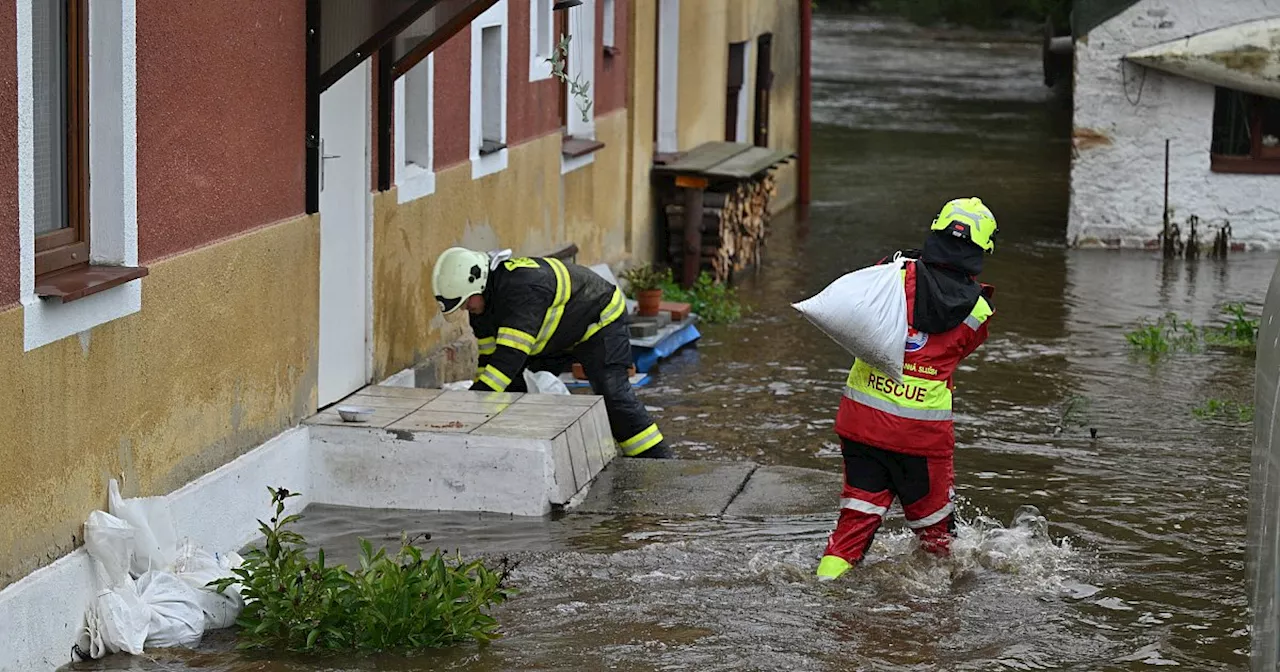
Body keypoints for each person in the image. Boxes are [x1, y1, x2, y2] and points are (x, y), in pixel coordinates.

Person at [816, 197, 998, 581]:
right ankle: (930, 623)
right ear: (983, 250)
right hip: (921, 438)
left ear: (935, 231)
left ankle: (822, 591)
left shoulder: (888, 275)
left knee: (853, 525)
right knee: (937, 540)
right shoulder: (979, 312)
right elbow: (957, 349)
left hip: (862, 422)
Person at [432, 247, 671, 459]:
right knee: (512, 386)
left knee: (612, 392)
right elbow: (488, 361)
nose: (466, 309)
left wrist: (470, 406)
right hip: (562, 332)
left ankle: (654, 459)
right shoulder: (482, 306)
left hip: (598, 318)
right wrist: (483, 412)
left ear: (479, 283)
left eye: (465, 302)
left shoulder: (521, 289)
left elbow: (507, 361)